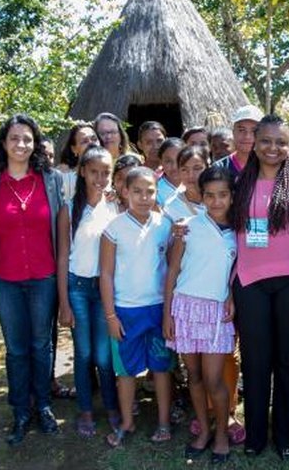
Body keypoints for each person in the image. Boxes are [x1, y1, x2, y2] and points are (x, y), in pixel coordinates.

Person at [0, 114, 67, 446]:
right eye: (14, 138)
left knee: (40, 345)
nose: (21, 144)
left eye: (27, 139)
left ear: (36, 143)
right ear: (4, 143)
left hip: (44, 276)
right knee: (16, 349)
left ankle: (43, 405)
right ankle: (20, 410)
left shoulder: (51, 180)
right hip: (5, 279)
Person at [231, 114, 289, 459]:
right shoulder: (239, 185)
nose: (273, 148)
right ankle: (256, 436)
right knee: (255, 361)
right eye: (266, 140)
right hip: (250, 282)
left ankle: (287, 434)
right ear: (254, 142)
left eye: (281, 142)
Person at [164, 166, 237, 465]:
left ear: (232, 196)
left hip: (216, 312)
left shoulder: (239, 232)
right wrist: (167, 313)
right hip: (184, 307)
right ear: (201, 196)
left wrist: (231, 294)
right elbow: (172, 271)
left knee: (213, 378)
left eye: (223, 195)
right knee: (193, 375)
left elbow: (239, 273)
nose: (216, 201)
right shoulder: (188, 226)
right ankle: (204, 431)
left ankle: (222, 434)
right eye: (210, 195)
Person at [100, 166, 174, 447]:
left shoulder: (164, 225)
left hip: (157, 309)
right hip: (125, 311)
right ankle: (127, 422)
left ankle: (164, 422)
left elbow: (171, 264)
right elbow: (105, 273)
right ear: (125, 192)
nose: (144, 197)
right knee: (127, 371)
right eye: (137, 191)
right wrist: (110, 315)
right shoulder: (113, 228)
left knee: (161, 367)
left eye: (150, 191)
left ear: (157, 193)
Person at [56, 147, 120, 438]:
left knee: (104, 356)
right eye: (94, 171)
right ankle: (85, 409)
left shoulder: (115, 206)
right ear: (82, 171)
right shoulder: (69, 209)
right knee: (83, 354)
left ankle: (111, 406)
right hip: (78, 288)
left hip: (104, 290)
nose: (100, 178)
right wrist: (64, 302)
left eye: (106, 172)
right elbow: (62, 257)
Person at [160, 145, 209, 221]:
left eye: (197, 168)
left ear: (207, 168)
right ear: (179, 171)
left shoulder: (219, 199)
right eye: (184, 169)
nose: (190, 175)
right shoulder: (171, 207)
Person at [213, 105, 263, 178]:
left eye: (254, 131)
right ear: (233, 132)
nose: (247, 136)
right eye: (241, 130)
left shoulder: (270, 168)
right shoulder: (219, 168)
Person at [57, 122, 99, 201]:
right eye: (84, 141)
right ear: (74, 149)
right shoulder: (64, 179)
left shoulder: (111, 176)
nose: (91, 143)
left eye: (94, 139)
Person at [156, 138, 184, 206]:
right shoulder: (155, 190)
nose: (174, 166)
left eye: (179, 160)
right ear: (161, 162)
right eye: (168, 161)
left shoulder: (194, 186)